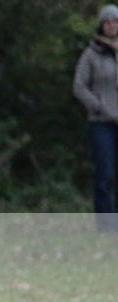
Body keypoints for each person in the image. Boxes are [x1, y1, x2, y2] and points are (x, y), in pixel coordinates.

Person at [73, 4, 118, 233]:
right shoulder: (92, 53)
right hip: (101, 122)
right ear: (101, 25)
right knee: (105, 173)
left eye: (115, 20)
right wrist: (98, 106)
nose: (111, 24)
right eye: (107, 21)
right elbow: (79, 86)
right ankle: (106, 225)